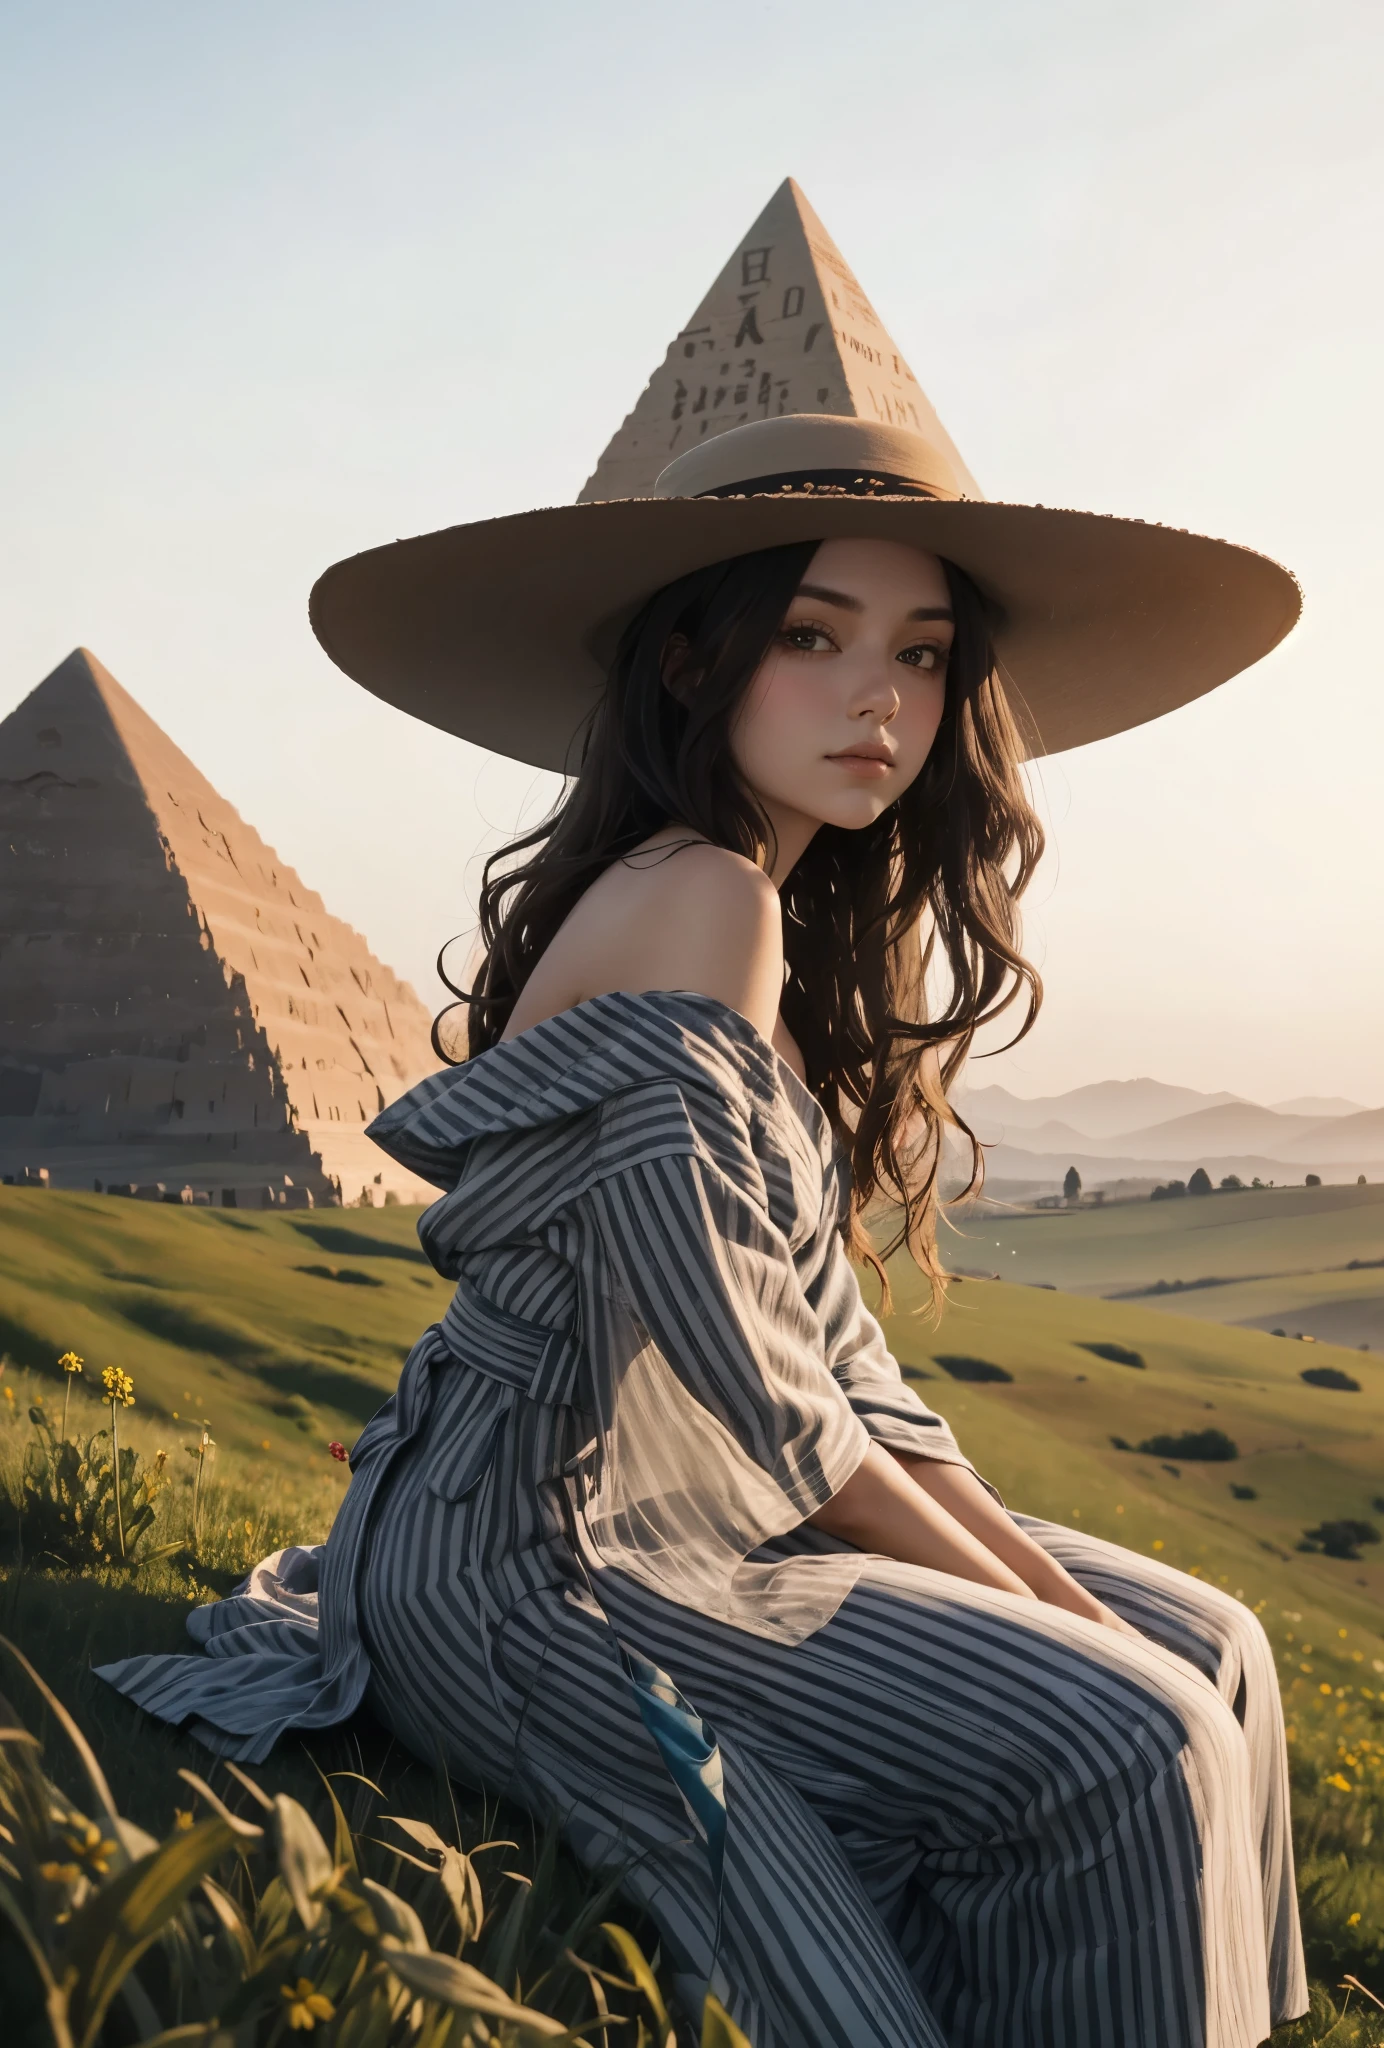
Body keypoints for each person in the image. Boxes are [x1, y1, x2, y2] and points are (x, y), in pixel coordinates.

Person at [101, 413, 1308, 2048]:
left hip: (713, 1506)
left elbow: (847, 1367)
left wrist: (1041, 1580)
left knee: (1216, 1653)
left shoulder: (759, 921)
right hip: (541, 1546)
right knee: (1134, 1732)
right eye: (812, 636)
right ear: (691, 660)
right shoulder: (703, 902)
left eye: (923, 653)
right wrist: (1051, 1624)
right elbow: (771, 1393)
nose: (879, 696)